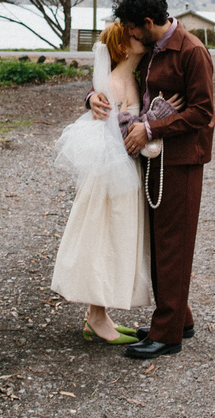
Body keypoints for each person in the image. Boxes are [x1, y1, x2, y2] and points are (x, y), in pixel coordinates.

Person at [90, 0, 215, 359]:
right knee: (161, 244)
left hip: (182, 162)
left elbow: (203, 113)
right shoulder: (151, 52)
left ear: (147, 23)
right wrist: (92, 98)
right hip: (154, 161)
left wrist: (152, 129)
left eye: (131, 28)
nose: (129, 36)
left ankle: (168, 335)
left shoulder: (191, 51)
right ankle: (180, 319)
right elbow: (117, 78)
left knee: (174, 245)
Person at [51, 22, 152, 345]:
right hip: (114, 173)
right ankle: (96, 317)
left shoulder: (131, 77)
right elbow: (115, 132)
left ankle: (100, 314)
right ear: (121, 46)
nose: (140, 38)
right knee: (107, 237)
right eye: (133, 36)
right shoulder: (116, 82)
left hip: (122, 170)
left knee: (114, 238)